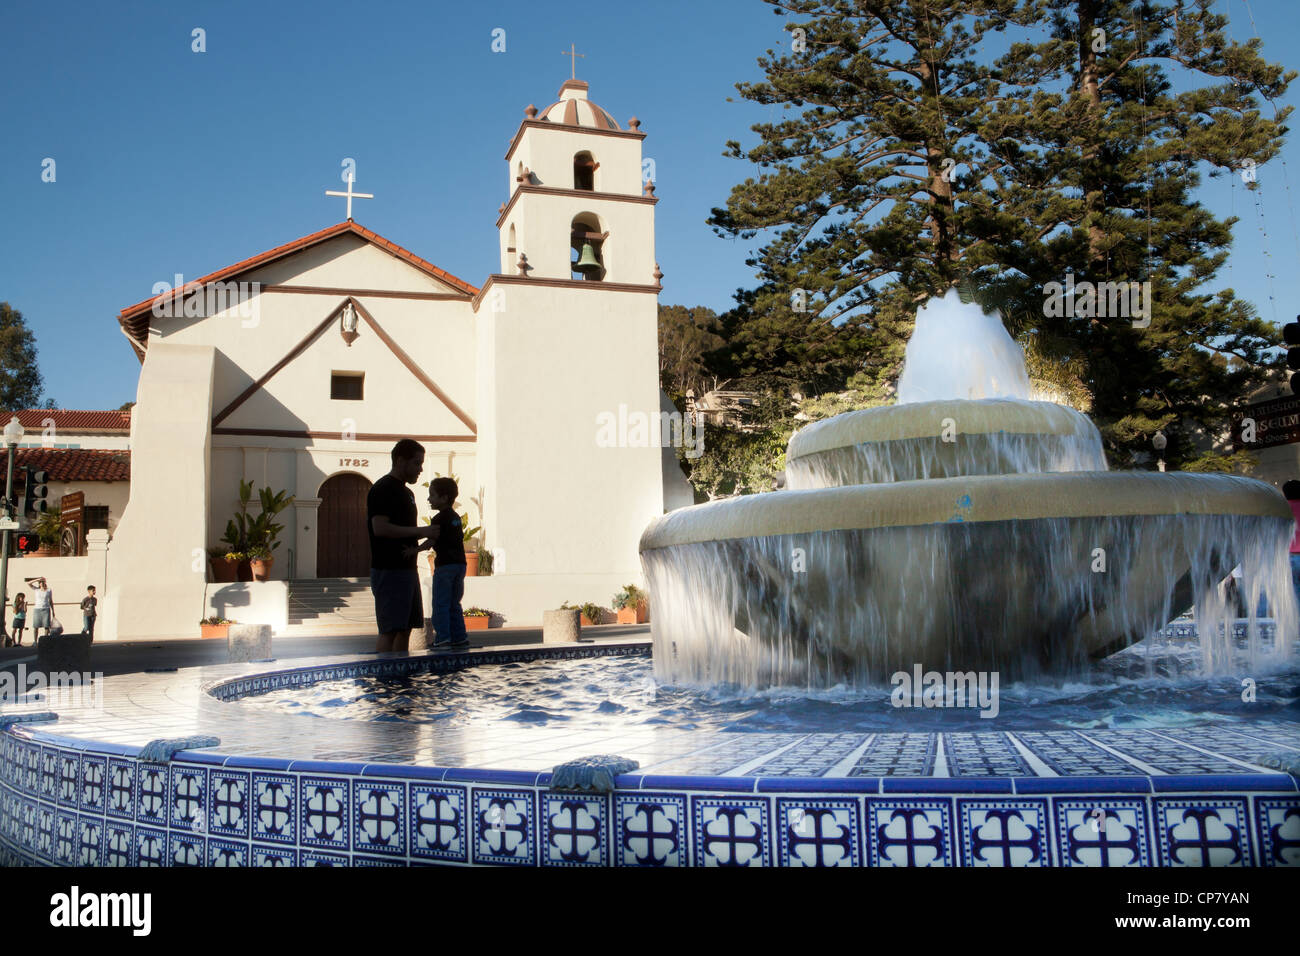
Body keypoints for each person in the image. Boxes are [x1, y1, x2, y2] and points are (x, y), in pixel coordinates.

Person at [367, 439, 437, 653]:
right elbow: (380, 528)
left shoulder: (407, 493)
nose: (420, 469)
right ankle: (385, 681)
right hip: (389, 570)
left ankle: (400, 680)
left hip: (407, 570)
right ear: (400, 461)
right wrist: (421, 531)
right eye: (416, 463)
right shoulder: (383, 489)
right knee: (389, 630)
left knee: (405, 628)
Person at [416, 476, 469, 649]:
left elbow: (432, 539)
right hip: (460, 565)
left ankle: (443, 638)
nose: (429, 499)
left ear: (444, 498)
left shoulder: (438, 519)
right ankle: (459, 637)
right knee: (454, 603)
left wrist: (414, 550)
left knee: (441, 603)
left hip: (445, 565)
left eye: (432, 495)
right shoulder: (456, 517)